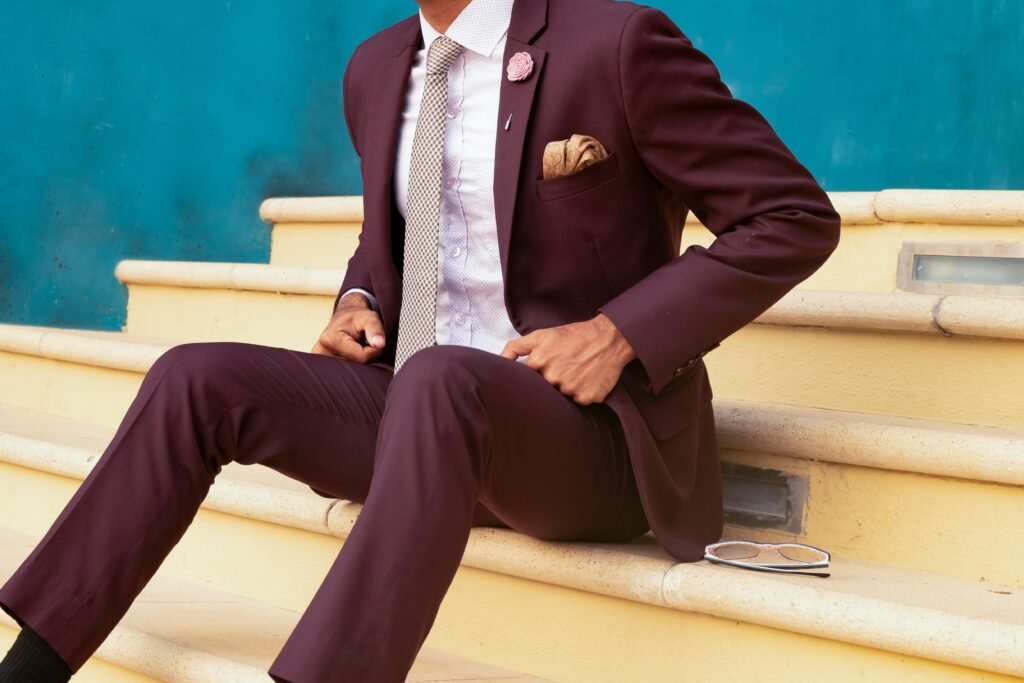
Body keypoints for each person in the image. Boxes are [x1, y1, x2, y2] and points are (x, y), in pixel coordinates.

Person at [0, 0, 841, 680]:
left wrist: (620, 332)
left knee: (441, 380)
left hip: (587, 438)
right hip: (426, 423)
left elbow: (792, 216)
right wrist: (359, 295)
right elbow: (393, 235)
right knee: (194, 378)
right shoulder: (377, 67)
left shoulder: (616, 43)